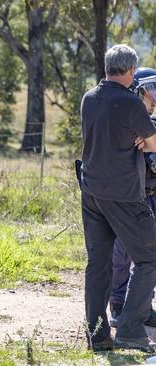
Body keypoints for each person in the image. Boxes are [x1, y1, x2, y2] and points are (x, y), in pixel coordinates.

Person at [79, 44, 156, 352]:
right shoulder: (130, 103)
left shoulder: (89, 98)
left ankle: (97, 335)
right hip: (123, 195)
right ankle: (130, 329)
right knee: (150, 257)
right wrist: (144, 130)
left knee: (98, 264)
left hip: (92, 193)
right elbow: (152, 144)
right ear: (130, 71)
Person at [109, 67, 156, 329]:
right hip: (129, 197)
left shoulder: (151, 125)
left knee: (149, 257)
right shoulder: (126, 122)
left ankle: (143, 306)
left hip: (152, 197)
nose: (153, 97)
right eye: (149, 91)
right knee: (121, 253)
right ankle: (117, 303)